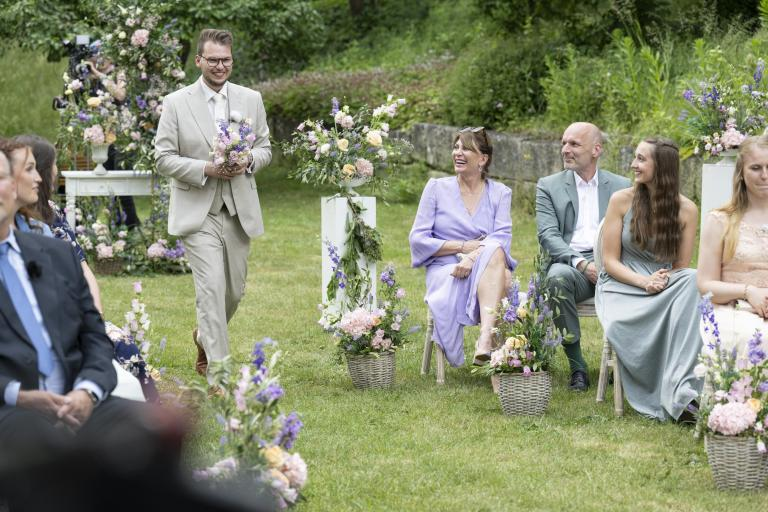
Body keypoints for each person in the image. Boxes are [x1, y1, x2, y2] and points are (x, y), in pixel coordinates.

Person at [155, 29, 271, 376]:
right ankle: (220, 374)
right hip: (198, 211)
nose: (221, 67)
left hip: (238, 211)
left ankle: (204, 336)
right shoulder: (176, 102)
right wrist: (204, 168)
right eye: (214, 60)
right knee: (211, 288)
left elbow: (266, 148)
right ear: (199, 61)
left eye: (226, 60)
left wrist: (249, 160)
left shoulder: (251, 99)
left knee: (233, 292)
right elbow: (162, 158)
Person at [596, 138, 702, 421]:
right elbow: (609, 261)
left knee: (693, 279)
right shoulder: (621, 200)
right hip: (622, 284)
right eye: (635, 157)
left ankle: (682, 394)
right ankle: (663, 395)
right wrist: (644, 283)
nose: (634, 164)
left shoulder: (687, 210)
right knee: (624, 318)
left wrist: (659, 282)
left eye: (641, 159)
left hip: (663, 282)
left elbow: (680, 267)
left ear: (662, 167)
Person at [409, 127, 517, 367]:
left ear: (483, 159)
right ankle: (494, 353)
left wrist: (472, 258)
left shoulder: (500, 193)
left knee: (497, 253)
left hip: (486, 265)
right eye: (456, 147)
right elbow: (418, 239)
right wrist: (462, 247)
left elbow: (501, 238)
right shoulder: (436, 188)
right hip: (446, 269)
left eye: (466, 148)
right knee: (504, 278)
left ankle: (486, 340)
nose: (458, 153)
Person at [536, 122, 630, 391]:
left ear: (596, 149)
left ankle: (625, 364)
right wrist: (581, 262)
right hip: (571, 263)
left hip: (612, 260)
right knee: (556, 278)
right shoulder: (548, 186)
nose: (566, 149)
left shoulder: (622, 186)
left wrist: (609, 264)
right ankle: (578, 367)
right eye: (564, 143)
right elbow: (548, 235)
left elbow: (633, 234)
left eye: (574, 144)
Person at [7, 136, 103, 312]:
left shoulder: (50, 215)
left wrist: (96, 315)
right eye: (54, 163)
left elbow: (82, 271)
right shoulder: (13, 229)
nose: (56, 170)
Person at [697, 135, 768, 359]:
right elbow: (705, 286)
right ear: (741, 172)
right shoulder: (720, 221)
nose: (765, 175)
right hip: (734, 309)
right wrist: (748, 292)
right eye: (756, 168)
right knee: (755, 337)